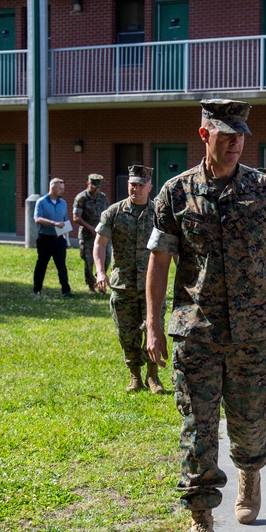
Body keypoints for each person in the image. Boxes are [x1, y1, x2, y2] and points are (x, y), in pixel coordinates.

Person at [145, 99, 266, 532]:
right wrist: (152, 324)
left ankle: (250, 470)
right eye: (225, 134)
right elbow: (159, 262)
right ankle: (201, 521)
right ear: (204, 134)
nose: (234, 143)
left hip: (254, 333)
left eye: (240, 135)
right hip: (197, 331)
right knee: (198, 430)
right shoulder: (175, 193)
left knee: (251, 426)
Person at [93, 164, 166, 394]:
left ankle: (153, 376)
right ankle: (135, 376)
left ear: (150, 187)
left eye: (141, 185)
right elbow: (99, 243)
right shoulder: (113, 213)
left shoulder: (159, 214)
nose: (136, 189)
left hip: (151, 287)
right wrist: (100, 271)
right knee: (127, 334)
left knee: (154, 330)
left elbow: (171, 249)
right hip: (123, 286)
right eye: (132, 185)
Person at [32, 177, 73, 297]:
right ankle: (37, 289)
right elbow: (37, 219)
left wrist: (68, 241)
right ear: (52, 188)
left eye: (63, 189)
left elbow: (66, 222)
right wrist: (54, 223)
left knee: (62, 266)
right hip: (45, 239)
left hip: (59, 239)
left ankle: (66, 290)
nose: (62, 191)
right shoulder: (41, 202)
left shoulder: (63, 203)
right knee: (42, 265)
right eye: (60, 189)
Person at [73, 174, 110, 294]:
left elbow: (107, 215)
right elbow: (76, 217)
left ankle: (99, 280)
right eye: (94, 186)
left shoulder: (103, 198)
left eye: (98, 186)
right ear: (88, 184)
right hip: (87, 235)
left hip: (102, 234)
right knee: (88, 260)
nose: (96, 189)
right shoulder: (81, 198)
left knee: (107, 258)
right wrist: (90, 228)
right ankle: (90, 285)